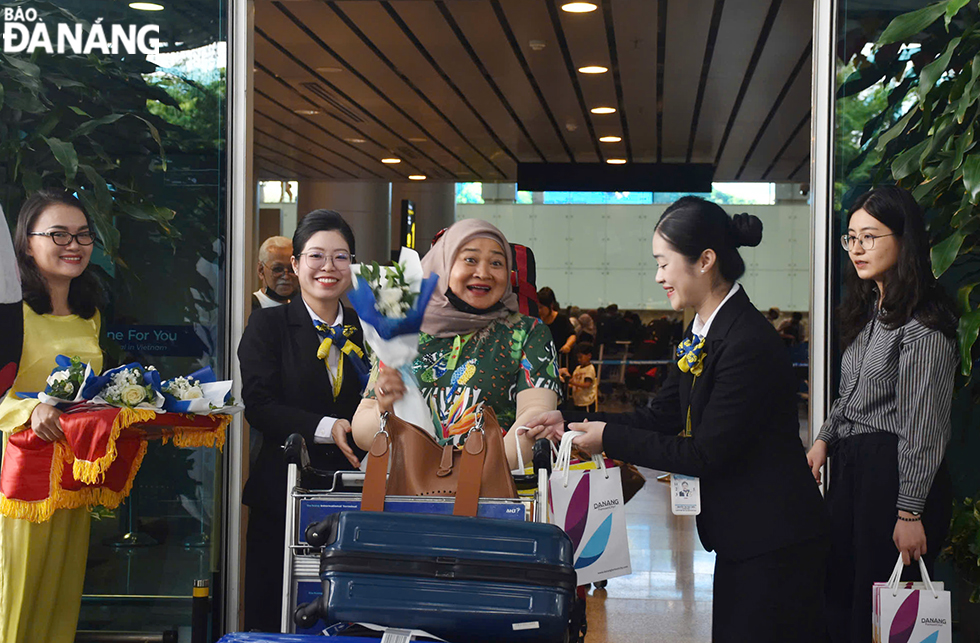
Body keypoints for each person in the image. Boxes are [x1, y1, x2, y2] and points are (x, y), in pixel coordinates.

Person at [527, 196, 828, 642]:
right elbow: (662, 413)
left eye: (664, 263)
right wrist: (569, 420)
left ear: (705, 260)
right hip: (744, 535)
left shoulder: (745, 341)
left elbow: (705, 452)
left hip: (775, 540)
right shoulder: (703, 330)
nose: (658, 276)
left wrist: (607, 438)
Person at [806, 186, 958, 643]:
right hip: (856, 472)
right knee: (846, 598)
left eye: (869, 236)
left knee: (881, 607)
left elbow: (923, 428)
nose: (856, 248)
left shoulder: (923, 323)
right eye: (850, 237)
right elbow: (852, 396)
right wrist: (824, 438)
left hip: (892, 479)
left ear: (904, 239)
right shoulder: (873, 310)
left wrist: (910, 512)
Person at [335, 219, 561, 470]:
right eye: (470, 260)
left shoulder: (526, 332)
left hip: (491, 491)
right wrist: (384, 408)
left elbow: (536, 416)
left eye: (497, 263)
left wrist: (466, 477)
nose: (484, 273)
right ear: (442, 264)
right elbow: (362, 431)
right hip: (406, 491)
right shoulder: (403, 329)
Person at [238, 210, 369, 632]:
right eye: (316, 256)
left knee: (351, 613)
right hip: (284, 492)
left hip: (357, 496)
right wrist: (326, 425)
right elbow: (258, 404)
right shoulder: (268, 324)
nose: (328, 268)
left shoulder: (371, 329)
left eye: (340, 257)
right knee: (276, 612)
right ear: (296, 264)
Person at [0, 189, 106, 643]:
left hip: (70, 478)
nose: (74, 245)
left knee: (58, 605)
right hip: (17, 478)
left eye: (83, 235)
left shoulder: (90, 313)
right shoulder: (9, 313)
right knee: (13, 602)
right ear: (26, 242)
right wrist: (30, 407)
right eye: (58, 234)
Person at [251, 235, 297, 310]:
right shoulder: (247, 306)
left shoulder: (302, 309)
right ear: (261, 270)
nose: (286, 276)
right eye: (278, 269)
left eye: (291, 269)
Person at [537, 287, 576, 356]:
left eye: (541, 307)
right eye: (537, 307)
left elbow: (572, 335)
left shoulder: (562, 319)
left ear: (551, 305)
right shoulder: (537, 321)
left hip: (561, 357)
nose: (539, 310)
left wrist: (567, 345)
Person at [559, 342, 597, 412]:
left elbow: (587, 384)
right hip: (578, 401)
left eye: (581, 357)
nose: (579, 360)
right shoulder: (577, 368)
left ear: (589, 356)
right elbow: (574, 382)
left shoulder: (590, 368)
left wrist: (573, 383)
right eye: (578, 357)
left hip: (587, 402)